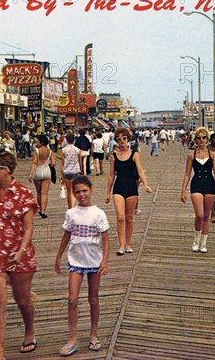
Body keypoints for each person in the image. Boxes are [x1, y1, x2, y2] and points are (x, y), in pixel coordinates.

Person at [0, 151, 38, 360]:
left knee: (23, 300)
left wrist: (21, 250)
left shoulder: (23, 193)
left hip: (18, 254)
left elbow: (29, 227)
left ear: (4, 170)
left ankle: (29, 331)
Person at [55, 175, 110, 356]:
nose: (81, 194)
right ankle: (72, 337)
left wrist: (105, 261)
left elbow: (106, 238)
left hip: (94, 261)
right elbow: (66, 235)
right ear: (74, 193)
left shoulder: (98, 213)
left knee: (93, 299)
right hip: (75, 261)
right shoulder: (71, 213)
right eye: (77, 192)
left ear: (91, 190)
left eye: (84, 191)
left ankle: (93, 334)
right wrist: (58, 257)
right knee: (72, 300)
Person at [105, 127, 152, 255]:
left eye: (124, 138)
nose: (122, 141)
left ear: (128, 139)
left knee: (129, 218)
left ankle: (127, 244)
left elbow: (140, 170)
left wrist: (146, 185)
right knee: (120, 218)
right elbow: (111, 175)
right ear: (116, 141)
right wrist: (108, 193)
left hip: (131, 187)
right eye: (119, 139)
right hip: (118, 187)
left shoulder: (134, 154)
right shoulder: (113, 156)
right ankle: (121, 245)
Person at [180, 127, 215, 253]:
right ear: (195, 140)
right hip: (196, 184)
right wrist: (183, 190)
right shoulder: (191, 155)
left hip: (209, 184)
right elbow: (187, 174)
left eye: (204, 138)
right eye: (199, 138)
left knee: (206, 215)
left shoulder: (213, 155)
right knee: (199, 215)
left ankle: (203, 243)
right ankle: (196, 240)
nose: (201, 140)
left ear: (207, 139)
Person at [29, 134, 56, 219]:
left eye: (38, 142)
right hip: (47, 171)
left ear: (42, 142)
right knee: (44, 193)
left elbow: (34, 162)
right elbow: (53, 163)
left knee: (39, 193)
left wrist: (31, 173)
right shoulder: (50, 151)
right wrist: (50, 165)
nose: (36, 143)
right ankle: (43, 211)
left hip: (38, 171)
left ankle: (40, 209)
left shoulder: (36, 150)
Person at [60, 131, 82, 209]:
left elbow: (62, 163)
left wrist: (60, 174)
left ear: (66, 140)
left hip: (66, 172)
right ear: (74, 140)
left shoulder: (64, 150)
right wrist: (81, 171)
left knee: (69, 192)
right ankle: (74, 207)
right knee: (74, 191)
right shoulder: (77, 150)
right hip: (75, 171)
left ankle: (70, 208)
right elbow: (80, 162)